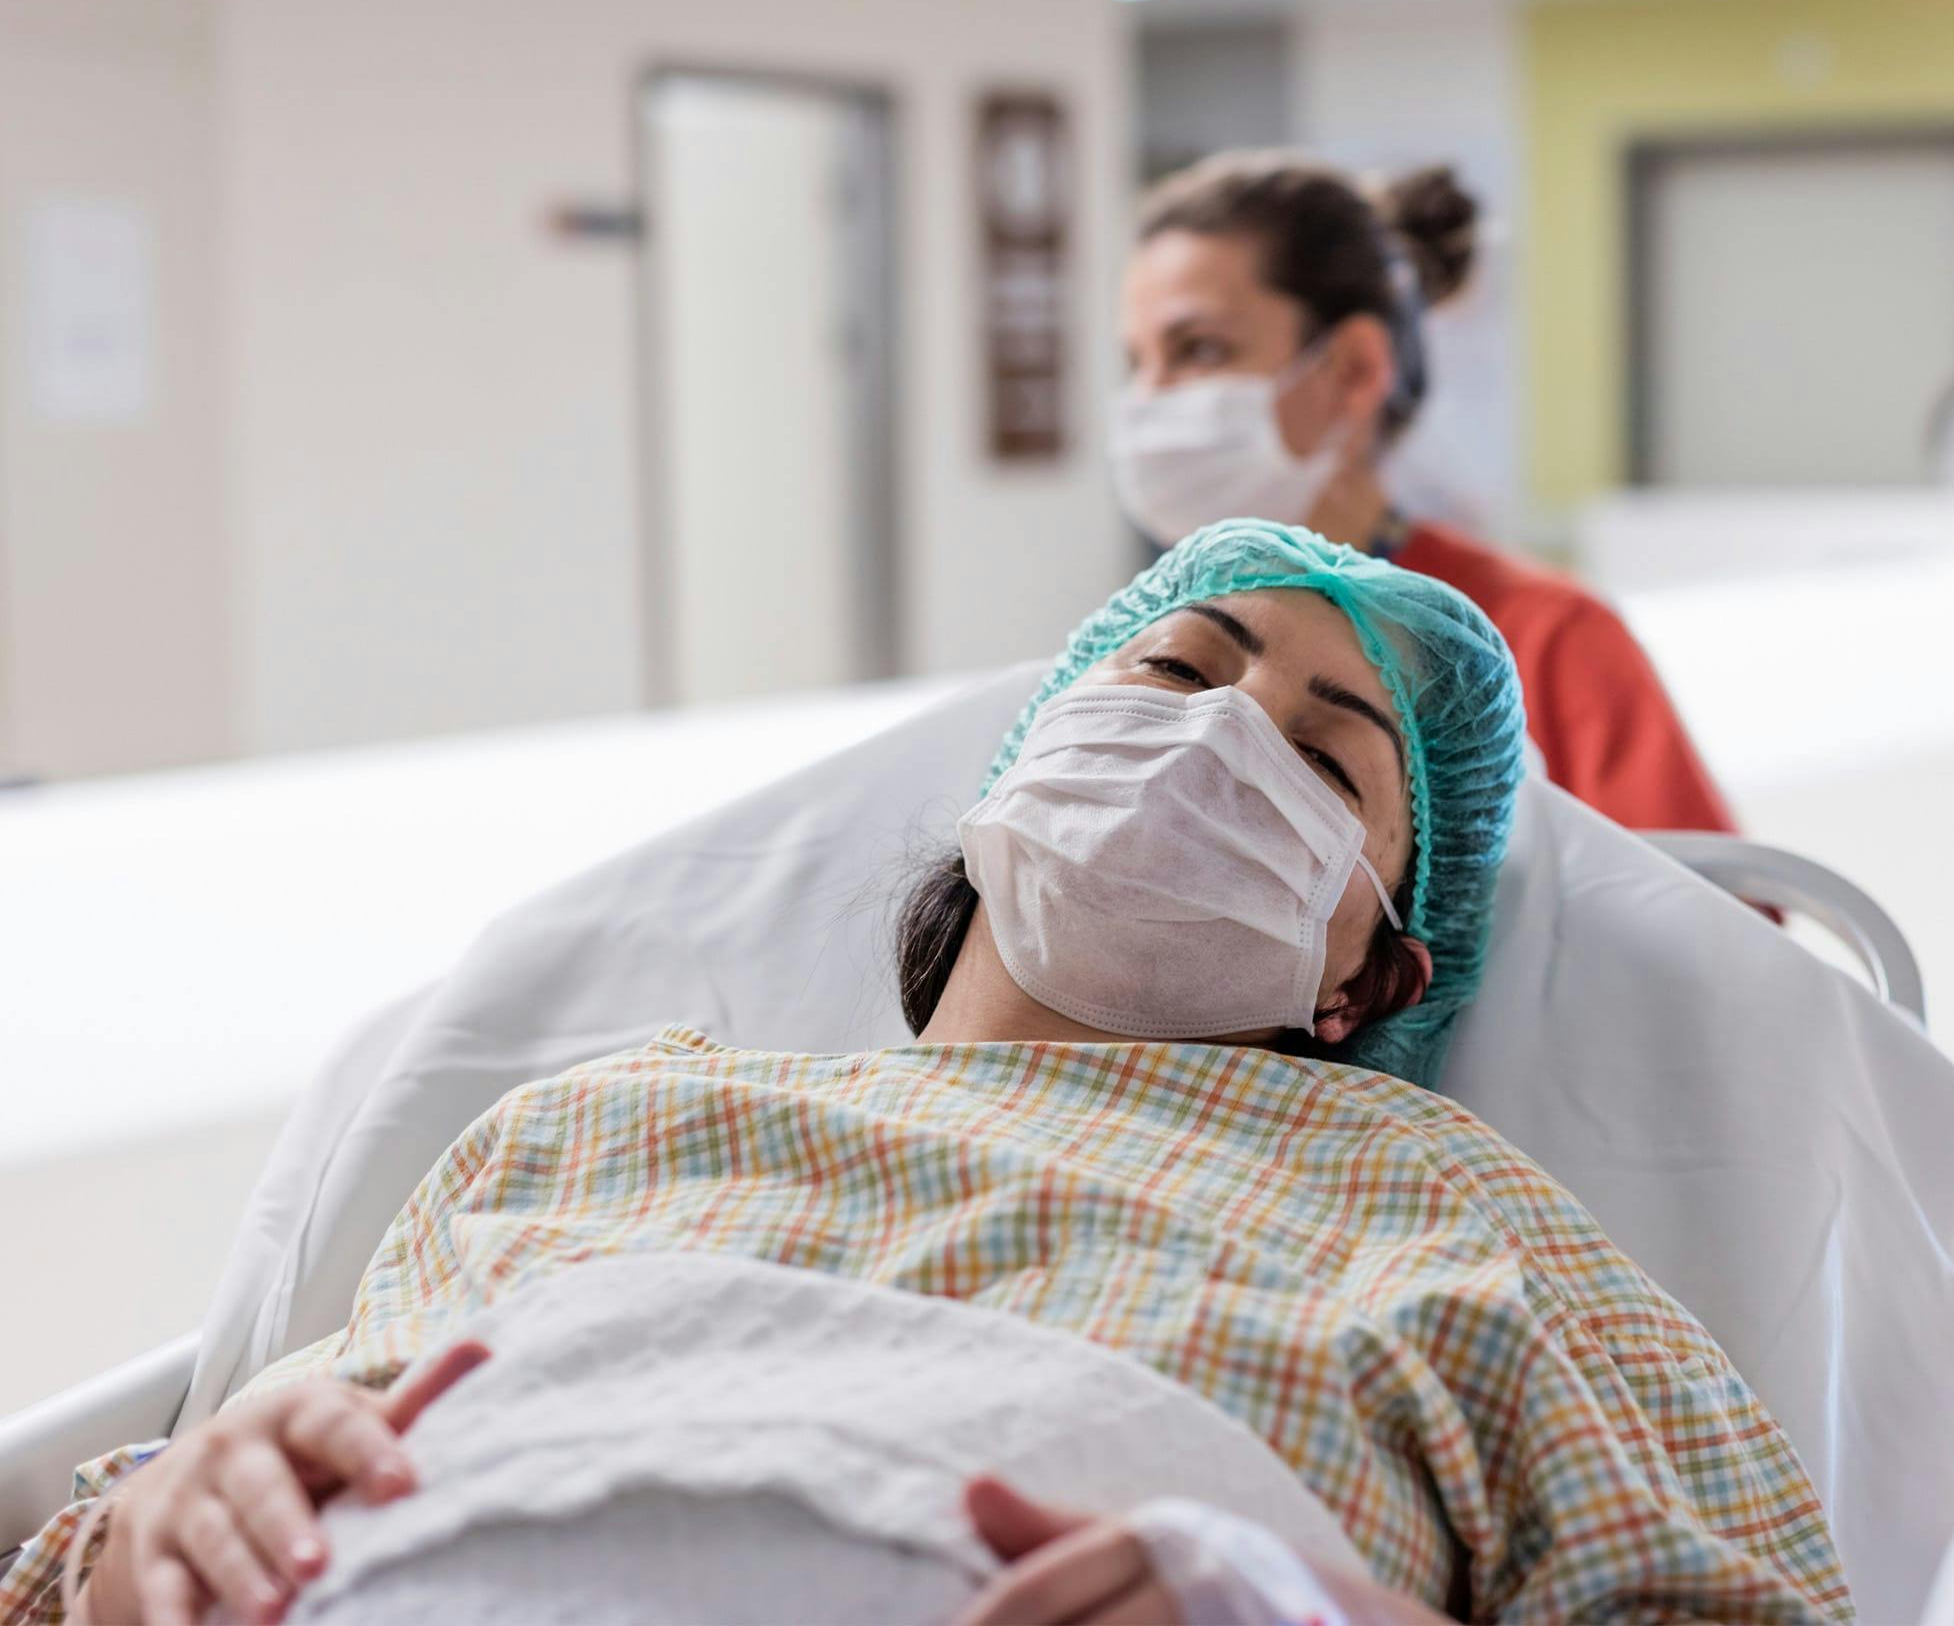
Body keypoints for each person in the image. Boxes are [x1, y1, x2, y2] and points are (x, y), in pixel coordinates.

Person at [10, 526, 1846, 1626]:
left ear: (1369, 965)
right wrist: (143, 1536)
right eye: (1174, 666)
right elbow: (163, 1523)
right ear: (1014, 769)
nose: (1215, 734)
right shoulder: (601, 1118)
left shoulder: (1469, 1216)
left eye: (1323, 752)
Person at [1111, 152, 1737, 835]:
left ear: (1353, 370)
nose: (1147, 403)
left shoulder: (1544, 641)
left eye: (1200, 350)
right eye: (1138, 363)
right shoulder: (1141, 645)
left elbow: (1719, 926)